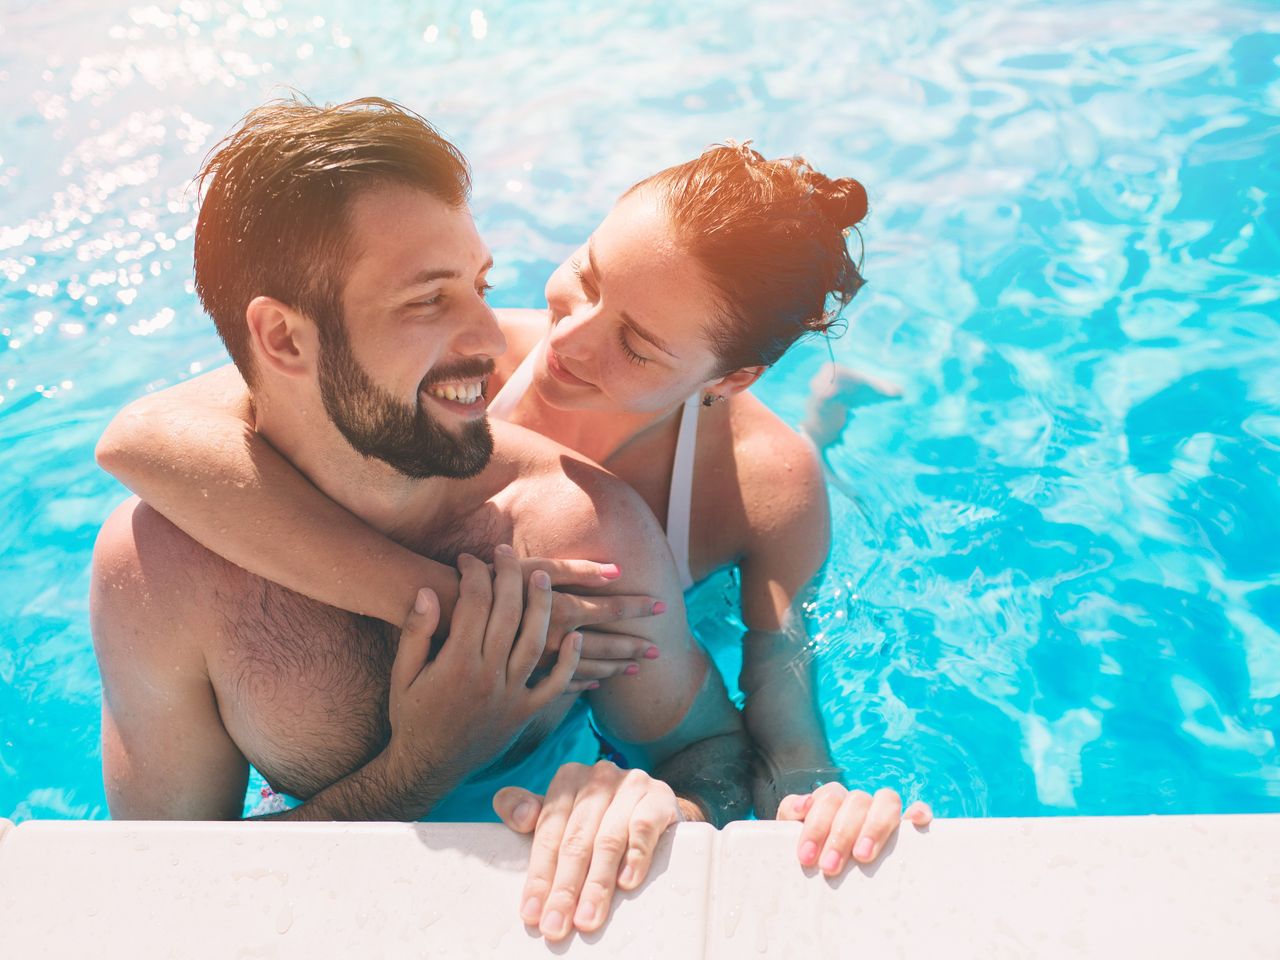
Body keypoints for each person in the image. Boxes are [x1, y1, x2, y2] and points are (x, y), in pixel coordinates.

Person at [97, 99, 929, 903]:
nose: (540, 340)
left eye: (637, 344)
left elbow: (758, 713)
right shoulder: (171, 556)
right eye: (585, 279)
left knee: (804, 455)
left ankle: (828, 409)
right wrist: (454, 629)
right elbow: (139, 438)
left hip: (658, 617)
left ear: (730, 377)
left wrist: (796, 799)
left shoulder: (627, 516)